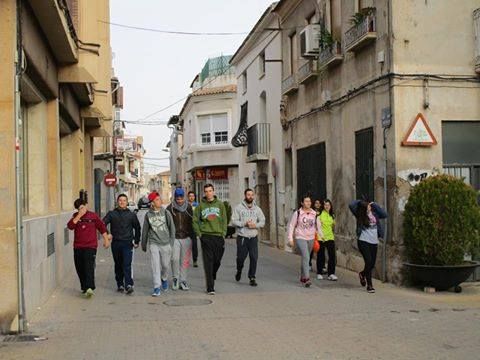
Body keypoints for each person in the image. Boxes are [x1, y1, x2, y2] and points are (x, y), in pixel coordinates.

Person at [67, 198, 111, 298]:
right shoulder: (76, 216)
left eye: (82, 207)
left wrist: (106, 240)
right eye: (78, 209)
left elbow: (102, 227)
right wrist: (79, 215)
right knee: (79, 267)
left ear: (86, 205)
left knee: (89, 266)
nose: (81, 210)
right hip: (78, 246)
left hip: (90, 246)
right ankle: (84, 287)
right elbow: (70, 226)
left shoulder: (93, 216)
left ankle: (90, 288)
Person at [193, 184, 227, 295]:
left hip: (218, 236)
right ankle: (210, 287)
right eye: (206, 191)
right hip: (206, 236)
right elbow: (195, 220)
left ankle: (213, 274)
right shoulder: (200, 206)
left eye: (210, 191)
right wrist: (199, 234)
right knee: (208, 262)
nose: (208, 193)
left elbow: (224, 220)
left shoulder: (220, 205)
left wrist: (223, 234)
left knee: (217, 260)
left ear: (213, 191)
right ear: (204, 192)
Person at [103, 194, 141, 294]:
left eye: (124, 200)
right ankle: (120, 284)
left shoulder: (132, 215)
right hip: (116, 243)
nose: (122, 202)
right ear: (117, 202)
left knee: (127, 264)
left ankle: (128, 284)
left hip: (128, 243)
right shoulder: (112, 214)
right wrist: (107, 234)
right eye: (120, 200)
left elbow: (137, 228)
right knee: (118, 264)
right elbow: (102, 223)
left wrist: (136, 241)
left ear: (127, 202)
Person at [349, 200, 388, 293]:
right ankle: (370, 285)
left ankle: (362, 274)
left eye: (369, 206)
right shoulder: (360, 215)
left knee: (372, 264)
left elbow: (385, 214)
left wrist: (374, 203)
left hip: (374, 241)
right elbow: (351, 205)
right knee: (369, 261)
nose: (369, 207)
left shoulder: (375, 213)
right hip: (363, 241)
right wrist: (360, 202)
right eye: (367, 206)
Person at [141, 191, 176, 297]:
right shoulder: (148, 215)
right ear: (152, 202)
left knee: (165, 265)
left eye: (159, 199)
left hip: (166, 243)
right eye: (157, 200)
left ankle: (164, 278)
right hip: (153, 243)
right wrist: (144, 244)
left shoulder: (166, 213)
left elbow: (172, 229)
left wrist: (171, 243)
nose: (160, 201)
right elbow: (145, 230)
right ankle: (156, 287)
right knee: (155, 266)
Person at [232, 189, 266, 287]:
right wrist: (244, 224)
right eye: (248, 195)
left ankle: (252, 277)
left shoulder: (257, 209)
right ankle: (239, 270)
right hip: (242, 237)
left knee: (254, 257)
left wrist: (255, 225)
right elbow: (233, 221)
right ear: (245, 195)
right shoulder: (239, 208)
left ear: (254, 196)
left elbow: (263, 221)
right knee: (241, 258)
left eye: (252, 195)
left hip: (253, 237)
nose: (250, 196)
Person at [287, 195, 322, 287]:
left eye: (309, 201)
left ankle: (302, 276)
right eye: (306, 201)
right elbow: (291, 226)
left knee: (305, 257)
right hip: (300, 237)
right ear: (302, 203)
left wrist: (321, 236)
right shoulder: (298, 213)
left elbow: (318, 226)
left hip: (311, 238)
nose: (308, 203)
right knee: (306, 256)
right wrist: (290, 239)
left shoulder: (314, 213)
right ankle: (307, 278)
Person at [166, 188, 195, 291]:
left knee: (185, 261)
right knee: (175, 259)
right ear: (175, 198)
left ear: (184, 197)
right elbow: (167, 224)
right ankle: (175, 278)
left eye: (181, 198)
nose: (179, 200)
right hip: (175, 238)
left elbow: (193, 222)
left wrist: (193, 236)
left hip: (186, 238)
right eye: (177, 198)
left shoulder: (188, 208)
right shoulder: (170, 208)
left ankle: (183, 280)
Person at [317, 199, 337, 281]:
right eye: (325, 205)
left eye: (328, 205)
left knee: (332, 256)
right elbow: (318, 226)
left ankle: (331, 273)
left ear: (330, 206)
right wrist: (321, 236)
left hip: (330, 237)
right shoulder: (319, 214)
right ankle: (319, 272)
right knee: (321, 255)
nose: (327, 206)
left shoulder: (332, 215)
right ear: (323, 206)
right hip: (321, 237)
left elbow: (333, 226)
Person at [309, 199, 324, 270]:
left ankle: (322, 265)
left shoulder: (323, 213)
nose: (318, 204)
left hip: (320, 233)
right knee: (311, 249)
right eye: (316, 203)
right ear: (314, 204)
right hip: (312, 233)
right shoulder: (311, 212)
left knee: (321, 250)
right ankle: (309, 263)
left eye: (319, 203)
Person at [188, 191, 200, 267]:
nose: (191, 197)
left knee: (194, 245)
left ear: (194, 197)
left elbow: (200, 216)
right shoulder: (185, 205)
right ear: (188, 197)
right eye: (190, 196)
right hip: (186, 227)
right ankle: (185, 260)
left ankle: (195, 260)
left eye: (193, 196)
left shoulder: (197, 205)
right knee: (186, 245)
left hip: (194, 227)